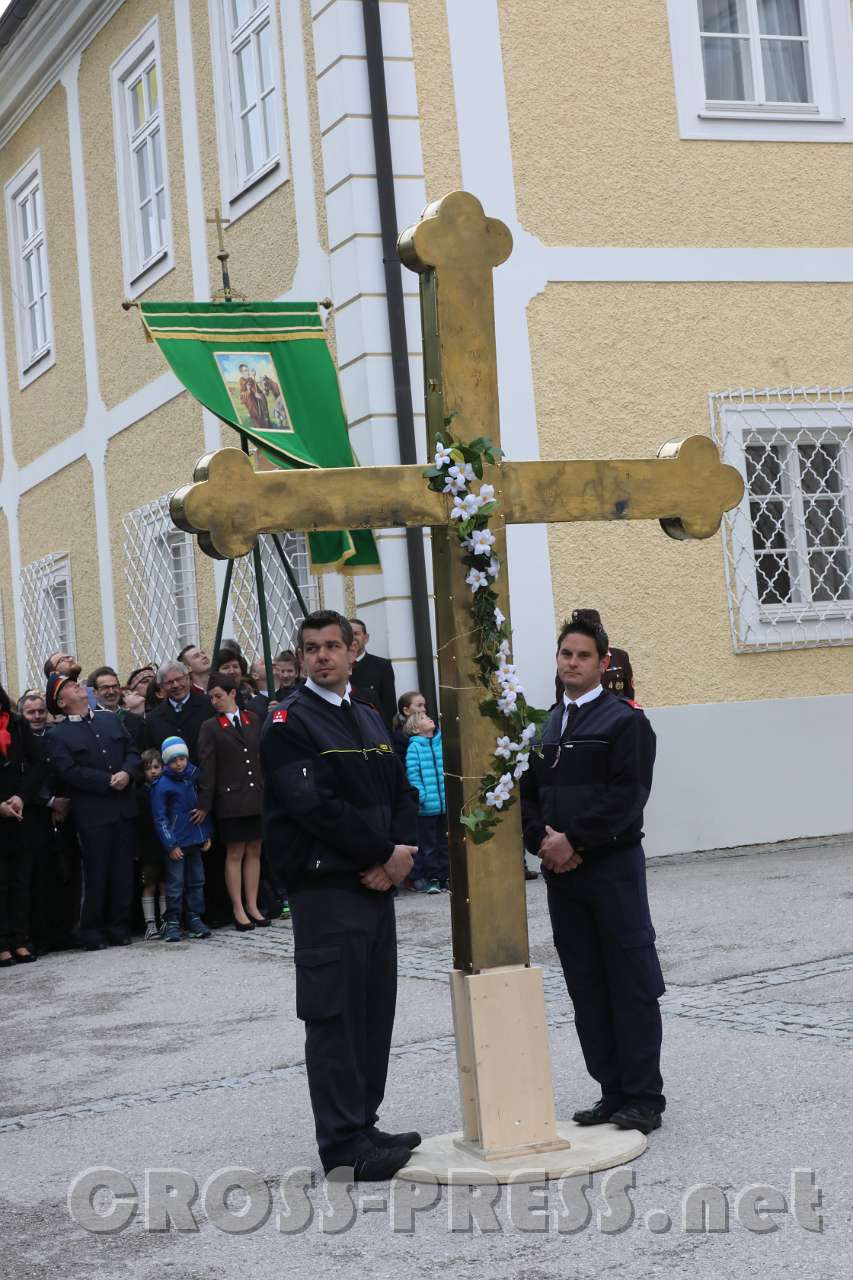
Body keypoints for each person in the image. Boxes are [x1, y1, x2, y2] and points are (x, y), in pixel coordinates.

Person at [260, 610, 420, 1180]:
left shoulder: (369, 715)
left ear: (353, 653)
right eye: (311, 648)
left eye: (332, 646)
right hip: (329, 889)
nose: (323, 656)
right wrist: (381, 855)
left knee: (374, 1009)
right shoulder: (287, 721)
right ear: (301, 658)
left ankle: (364, 1120)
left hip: (375, 884)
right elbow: (315, 808)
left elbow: (402, 789)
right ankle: (342, 1144)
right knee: (334, 1014)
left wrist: (400, 854)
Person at [521, 615, 664, 1136]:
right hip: (564, 877)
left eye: (583, 656)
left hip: (611, 870)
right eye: (566, 655)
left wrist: (572, 841)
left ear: (603, 664)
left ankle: (644, 1096)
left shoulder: (625, 722)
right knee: (586, 983)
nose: (572, 664)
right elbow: (525, 795)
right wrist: (540, 840)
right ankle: (611, 1089)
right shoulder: (543, 726)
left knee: (629, 981)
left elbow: (626, 798)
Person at [45, 674, 140, 950]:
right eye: (70, 687)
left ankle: (119, 926)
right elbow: (69, 771)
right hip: (93, 812)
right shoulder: (57, 735)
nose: (78, 686)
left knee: (122, 872)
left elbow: (132, 751)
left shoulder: (110, 720)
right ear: (62, 702)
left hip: (122, 808)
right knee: (96, 873)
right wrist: (106, 781)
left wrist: (127, 772)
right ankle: (92, 930)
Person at [196, 673, 266, 930]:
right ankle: (237, 907)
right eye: (211, 697)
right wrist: (204, 803)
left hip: (255, 794)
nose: (215, 701)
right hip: (231, 798)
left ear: (232, 694)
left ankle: (253, 904)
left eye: (219, 696)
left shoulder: (252, 719)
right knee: (236, 852)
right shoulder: (211, 727)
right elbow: (207, 767)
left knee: (255, 851)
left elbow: (262, 758)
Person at [149, 736, 213, 942]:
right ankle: (173, 922)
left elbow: (202, 808)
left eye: (182, 759)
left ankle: (195, 917)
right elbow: (160, 818)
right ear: (167, 762)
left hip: (195, 839)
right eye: (174, 760)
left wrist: (206, 834)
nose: (179, 764)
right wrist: (170, 844)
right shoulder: (162, 785)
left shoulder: (194, 776)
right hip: (177, 843)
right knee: (175, 884)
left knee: (197, 881)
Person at [0, 682, 45, 966]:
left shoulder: (16, 724)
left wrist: (20, 797)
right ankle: (2, 942)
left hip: (18, 812)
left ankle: (20, 939)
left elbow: (39, 763)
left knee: (20, 881)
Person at [403, 710, 449, 894]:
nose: (429, 718)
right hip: (427, 806)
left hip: (445, 804)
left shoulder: (441, 742)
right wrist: (420, 796)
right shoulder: (414, 747)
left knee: (445, 843)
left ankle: (446, 877)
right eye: (423, 718)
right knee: (429, 846)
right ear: (415, 728)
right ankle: (433, 878)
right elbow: (413, 774)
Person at [553, 608, 636, 704]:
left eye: (584, 655)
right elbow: (561, 698)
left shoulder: (620, 656)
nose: (573, 663)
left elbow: (629, 693)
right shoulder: (567, 665)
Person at [141, 661, 215, 762]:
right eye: (169, 682)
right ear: (162, 687)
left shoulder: (210, 706)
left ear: (188, 679)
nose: (175, 685)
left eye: (179, 679)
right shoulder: (153, 719)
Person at [137, 748, 167, 940]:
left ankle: (166, 921)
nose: (154, 771)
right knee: (149, 883)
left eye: (157, 767)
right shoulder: (140, 794)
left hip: (165, 845)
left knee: (165, 883)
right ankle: (150, 924)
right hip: (148, 846)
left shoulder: (166, 788)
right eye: (149, 768)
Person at [347, 618, 397, 729]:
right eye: (348, 634)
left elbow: (389, 707)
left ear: (366, 638)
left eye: (356, 633)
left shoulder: (382, 666)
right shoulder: (335, 666)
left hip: (374, 729)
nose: (352, 638)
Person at [88, 666, 144, 747]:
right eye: (105, 688)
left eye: (114, 686)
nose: (111, 692)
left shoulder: (136, 720)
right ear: (94, 692)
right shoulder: (89, 722)